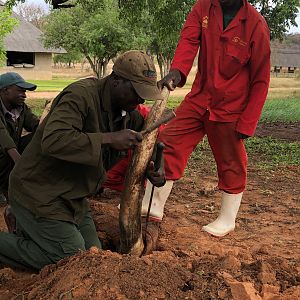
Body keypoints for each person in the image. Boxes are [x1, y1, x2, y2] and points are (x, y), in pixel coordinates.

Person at [0, 50, 165, 270]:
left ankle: (31, 234)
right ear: (116, 80)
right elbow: (55, 140)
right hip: (38, 192)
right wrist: (108, 139)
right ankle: (21, 235)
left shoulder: (128, 113)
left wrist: (156, 167)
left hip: (75, 198)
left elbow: (145, 143)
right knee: (70, 259)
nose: (141, 99)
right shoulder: (80, 96)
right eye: (136, 91)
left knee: (93, 258)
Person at [141, 0, 271, 237]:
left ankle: (227, 219)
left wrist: (248, 121)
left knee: (231, 159)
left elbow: (261, 78)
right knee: (169, 139)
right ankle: (153, 205)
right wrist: (177, 71)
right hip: (200, 97)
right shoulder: (203, 8)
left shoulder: (256, 25)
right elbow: (189, 41)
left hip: (230, 107)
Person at [0, 72, 39, 232]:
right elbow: (3, 138)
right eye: (20, 90)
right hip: (4, 150)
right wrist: (22, 165)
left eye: (25, 92)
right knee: (6, 152)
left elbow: (36, 126)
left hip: (10, 151)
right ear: (5, 90)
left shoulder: (21, 108)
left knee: (38, 139)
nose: (24, 95)